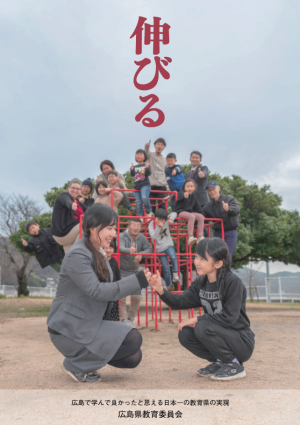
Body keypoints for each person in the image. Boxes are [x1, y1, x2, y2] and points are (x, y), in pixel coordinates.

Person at [47, 203, 151, 383]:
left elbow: (109, 289)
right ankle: (76, 365)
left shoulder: (97, 252)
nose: (114, 234)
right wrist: (137, 280)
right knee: (133, 338)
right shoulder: (77, 254)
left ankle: (83, 362)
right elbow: (97, 291)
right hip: (68, 328)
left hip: (89, 322)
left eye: (115, 228)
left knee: (133, 357)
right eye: (110, 228)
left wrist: (140, 281)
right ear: (93, 227)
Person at [149, 238, 255, 381]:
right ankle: (221, 361)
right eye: (196, 257)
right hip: (219, 335)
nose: (196, 262)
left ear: (218, 263)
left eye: (202, 259)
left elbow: (229, 317)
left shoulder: (232, 283)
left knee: (202, 326)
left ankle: (234, 365)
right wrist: (160, 289)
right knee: (185, 334)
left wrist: (197, 318)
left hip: (241, 341)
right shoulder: (201, 282)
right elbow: (179, 302)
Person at [119, 218, 153, 327]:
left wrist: (141, 254)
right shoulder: (122, 236)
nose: (135, 228)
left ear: (141, 228)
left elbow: (149, 249)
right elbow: (120, 247)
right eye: (133, 225)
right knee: (122, 297)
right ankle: (123, 319)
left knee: (137, 297)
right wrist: (129, 251)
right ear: (128, 226)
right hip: (121, 271)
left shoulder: (142, 238)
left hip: (134, 272)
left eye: (138, 226)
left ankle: (131, 318)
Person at [204, 180, 240, 260]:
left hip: (230, 231)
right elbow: (203, 218)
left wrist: (229, 209)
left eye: (213, 189)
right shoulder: (208, 206)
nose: (212, 191)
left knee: (227, 256)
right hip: (218, 233)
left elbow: (237, 210)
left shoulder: (229, 199)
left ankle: (226, 272)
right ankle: (219, 273)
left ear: (219, 188)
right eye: (209, 190)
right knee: (217, 257)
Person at [51, 180, 87, 253]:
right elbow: (66, 201)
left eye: (78, 189)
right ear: (69, 188)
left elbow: (89, 210)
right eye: (73, 188)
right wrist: (71, 205)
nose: (75, 190)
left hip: (71, 234)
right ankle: (79, 251)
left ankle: (75, 256)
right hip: (63, 232)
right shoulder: (64, 196)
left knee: (70, 258)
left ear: (80, 191)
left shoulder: (78, 202)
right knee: (86, 226)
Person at [148, 209, 179, 292]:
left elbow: (175, 212)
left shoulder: (166, 222)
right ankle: (169, 285)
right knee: (166, 268)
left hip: (168, 245)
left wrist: (171, 219)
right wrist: (159, 227)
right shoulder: (151, 225)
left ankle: (175, 274)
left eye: (162, 220)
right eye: (158, 219)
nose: (159, 221)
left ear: (165, 219)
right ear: (155, 217)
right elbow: (153, 237)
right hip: (159, 249)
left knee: (173, 256)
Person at [174, 179, 205, 246]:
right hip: (180, 212)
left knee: (200, 217)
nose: (189, 188)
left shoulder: (193, 196)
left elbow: (198, 206)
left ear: (194, 188)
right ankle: (190, 236)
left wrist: (202, 214)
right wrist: (184, 195)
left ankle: (200, 236)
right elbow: (181, 196)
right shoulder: (181, 193)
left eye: (191, 186)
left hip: (189, 213)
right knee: (192, 216)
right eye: (188, 186)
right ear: (184, 187)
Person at [144, 138, 167, 213]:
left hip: (161, 186)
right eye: (158, 144)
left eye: (162, 145)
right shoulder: (150, 155)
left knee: (162, 207)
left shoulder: (165, 159)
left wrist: (167, 181)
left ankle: (163, 223)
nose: (160, 146)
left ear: (164, 147)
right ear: (154, 145)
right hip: (150, 186)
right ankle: (151, 224)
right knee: (151, 208)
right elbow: (145, 154)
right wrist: (146, 147)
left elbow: (167, 171)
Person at [130, 149, 152, 217]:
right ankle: (140, 216)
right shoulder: (135, 166)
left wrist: (147, 168)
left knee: (144, 198)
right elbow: (132, 175)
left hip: (145, 184)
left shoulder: (146, 164)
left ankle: (148, 210)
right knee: (138, 202)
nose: (138, 156)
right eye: (137, 154)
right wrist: (131, 170)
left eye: (141, 154)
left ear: (144, 157)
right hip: (136, 186)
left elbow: (149, 173)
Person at [104, 241, 121, 321]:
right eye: (106, 248)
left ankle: (113, 321)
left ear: (113, 250)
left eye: (110, 248)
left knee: (113, 305)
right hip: (104, 287)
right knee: (105, 306)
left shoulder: (114, 261)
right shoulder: (101, 260)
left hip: (113, 287)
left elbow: (117, 274)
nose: (108, 250)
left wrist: (119, 285)